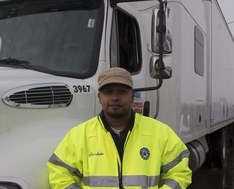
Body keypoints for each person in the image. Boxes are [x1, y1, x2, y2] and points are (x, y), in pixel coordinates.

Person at [47, 67, 192, 188]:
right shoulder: (79, 136)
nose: (115, 97)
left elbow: (179, 172)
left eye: (122, 91)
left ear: (132, 96)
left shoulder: (161, 133)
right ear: (100, 98)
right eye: (108, 92)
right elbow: (60, 173)